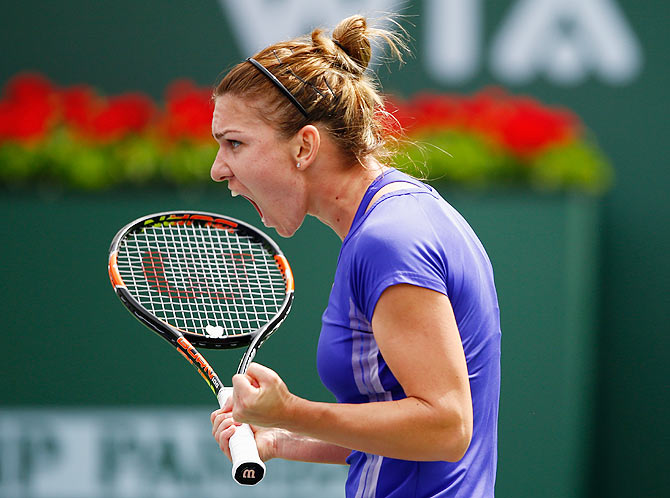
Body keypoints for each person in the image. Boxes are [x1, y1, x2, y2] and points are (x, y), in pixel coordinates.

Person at [209, 15, 501, 497]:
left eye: (235, 143)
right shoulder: (403, 218)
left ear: (304, 146)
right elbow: (401, 426)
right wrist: (281, 436)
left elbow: (447, 429)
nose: (220, 169)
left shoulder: (389, 240)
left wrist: (290, 410)